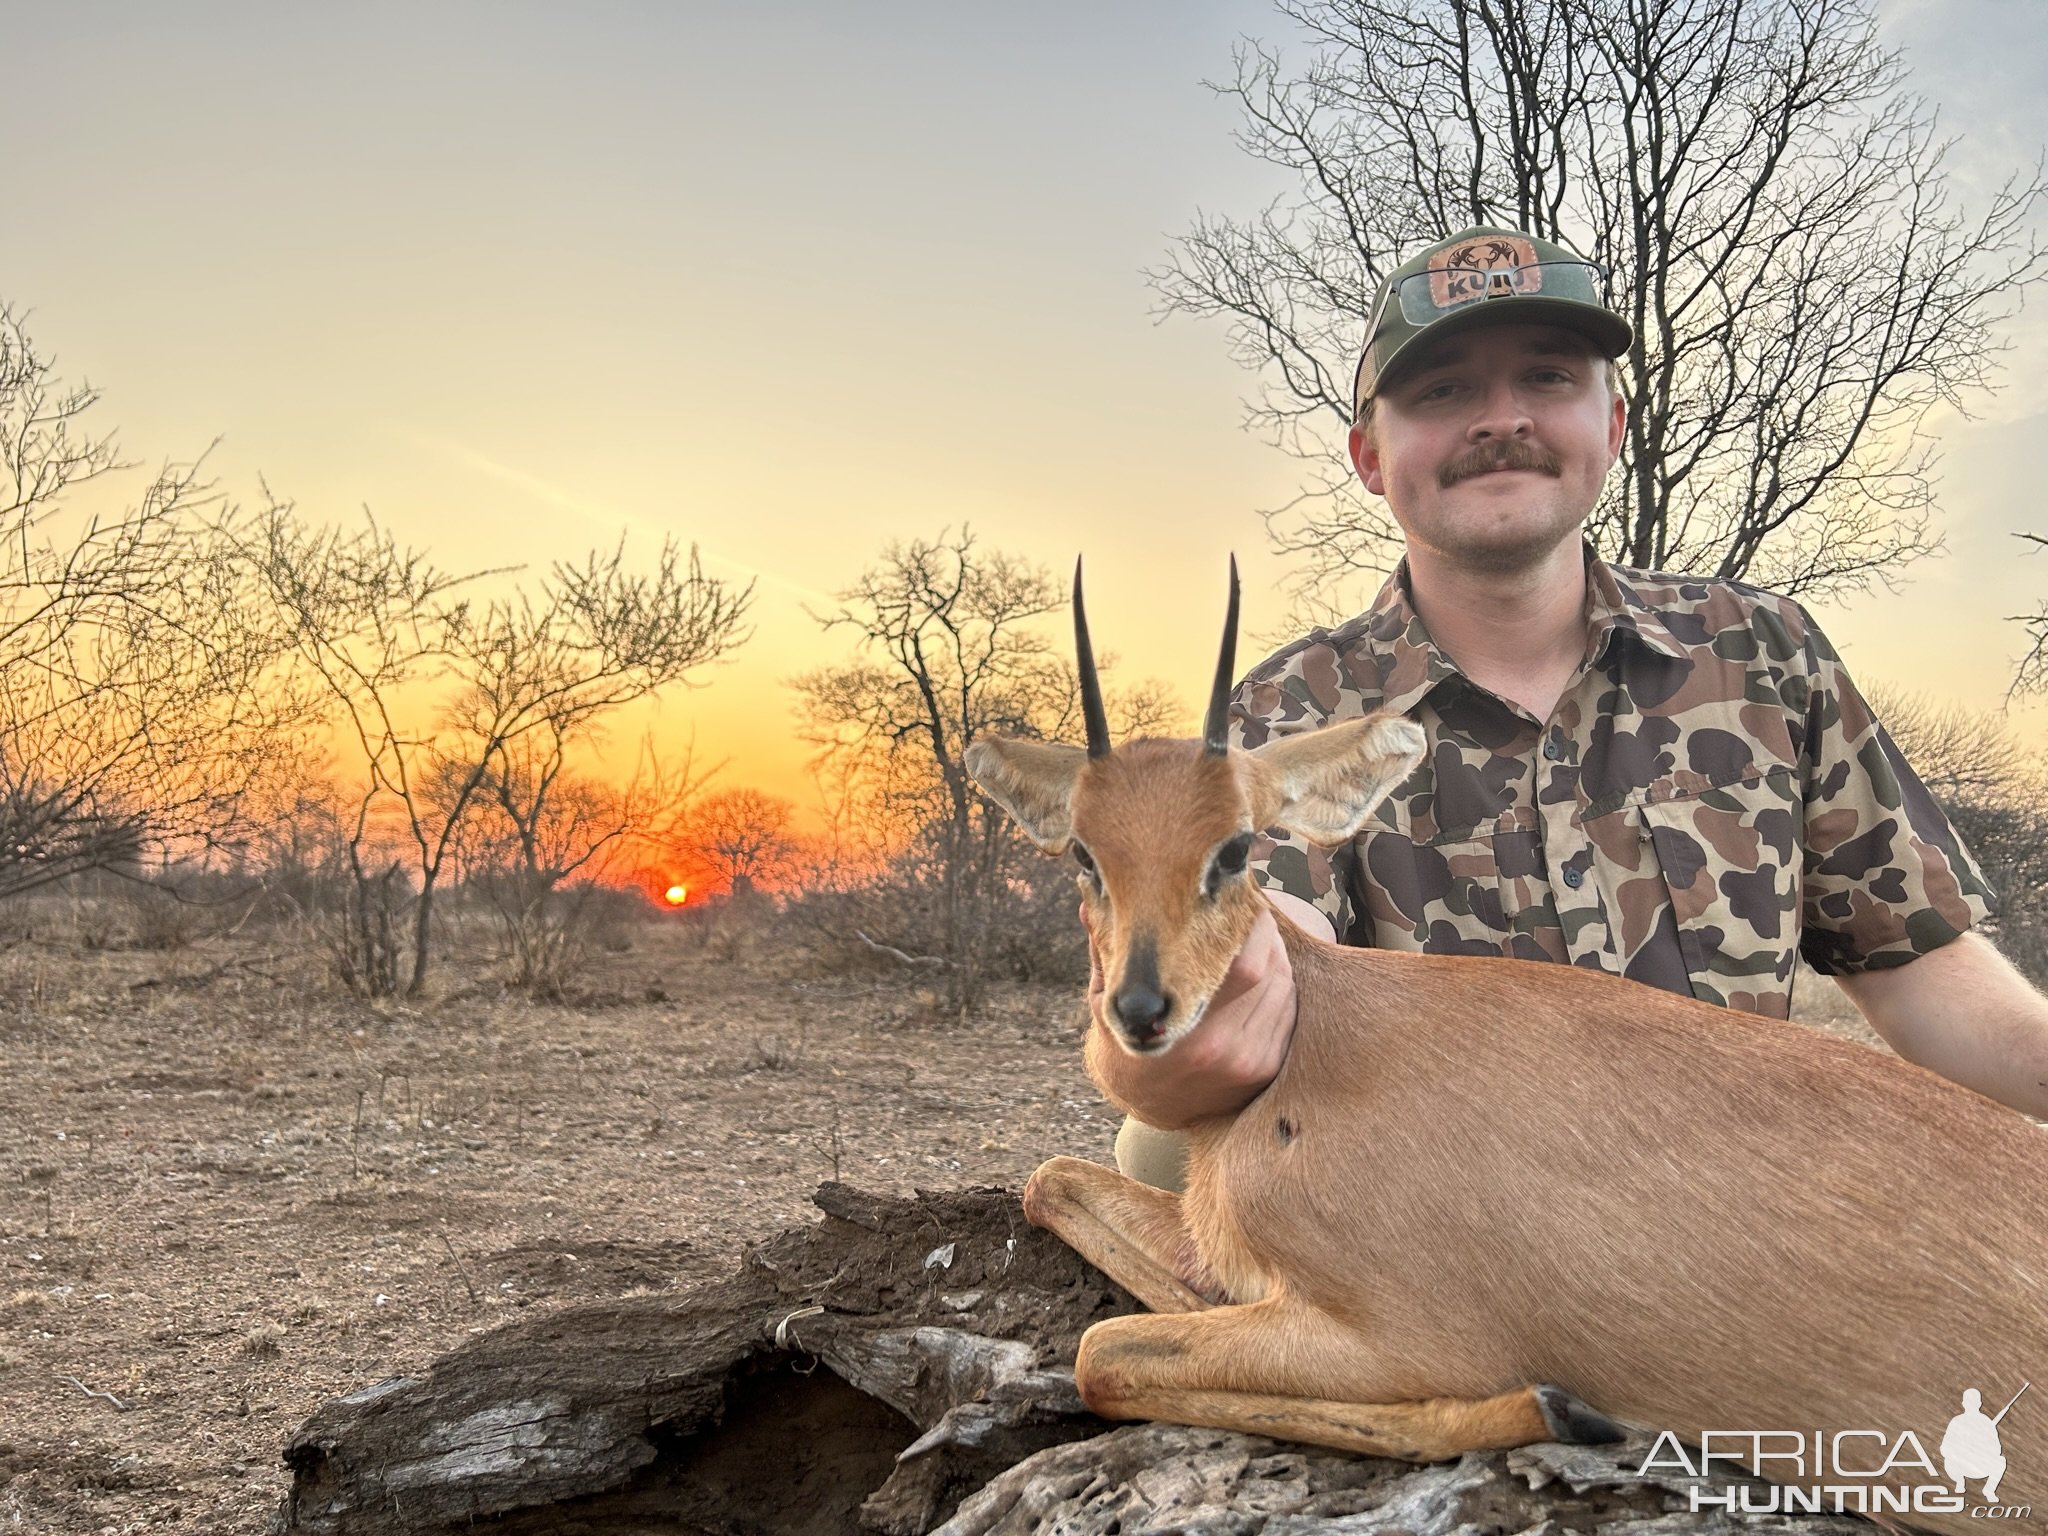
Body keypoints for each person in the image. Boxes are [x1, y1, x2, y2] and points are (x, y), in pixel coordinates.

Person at [1101, 226, 2048, 1191]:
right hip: (1453, 1231)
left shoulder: (1762, 651)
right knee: (1159, 1158)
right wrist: (1208, 1007)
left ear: (1615, 427)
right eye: (1441, 391)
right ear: (1370, 456)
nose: (1499, 419)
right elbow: (1267, 946)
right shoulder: (1288, 710)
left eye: (1549, 378)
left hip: (1746, 1214)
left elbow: (1914, 964)